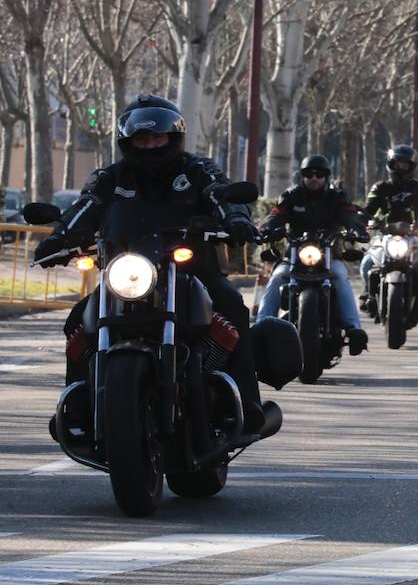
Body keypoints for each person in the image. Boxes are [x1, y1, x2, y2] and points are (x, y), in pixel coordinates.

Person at [32, 95, 276, 433]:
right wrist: (59, 239)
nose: (149, 145)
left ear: (172, 139)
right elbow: (87, 207)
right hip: (128, 271)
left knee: (232, 305)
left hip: (192, 269)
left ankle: (246, 405)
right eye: (141, 139)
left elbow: (221, 194)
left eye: (156, 138)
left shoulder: (197, 170)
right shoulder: (111, 177)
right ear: (128, 142)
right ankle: (78, 409)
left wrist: (235, 220)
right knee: (79, 318)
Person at [256, 155, 369, 356]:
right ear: (303, 176)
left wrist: (358, 229)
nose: (314, 178)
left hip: (329, 255)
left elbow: (349, 215)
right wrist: (266, 229)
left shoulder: (337, 197)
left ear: (326, 177)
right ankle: (261, 328)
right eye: (309, 174)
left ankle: (354, 330)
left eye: (319, 174)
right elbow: (276, 215)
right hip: (295, 256)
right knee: (277, 277)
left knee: (340, 277)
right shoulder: (291, 196)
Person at [359, 145, 418, 309]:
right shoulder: (380, 187)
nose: (401, 168)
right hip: (384, 235)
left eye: (405, 165)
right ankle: (368, 293)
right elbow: (368, 210)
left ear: (412, 166)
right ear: (390, 164)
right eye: (397, 164)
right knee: (367, 263)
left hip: (413, 235)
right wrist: (363, 220)